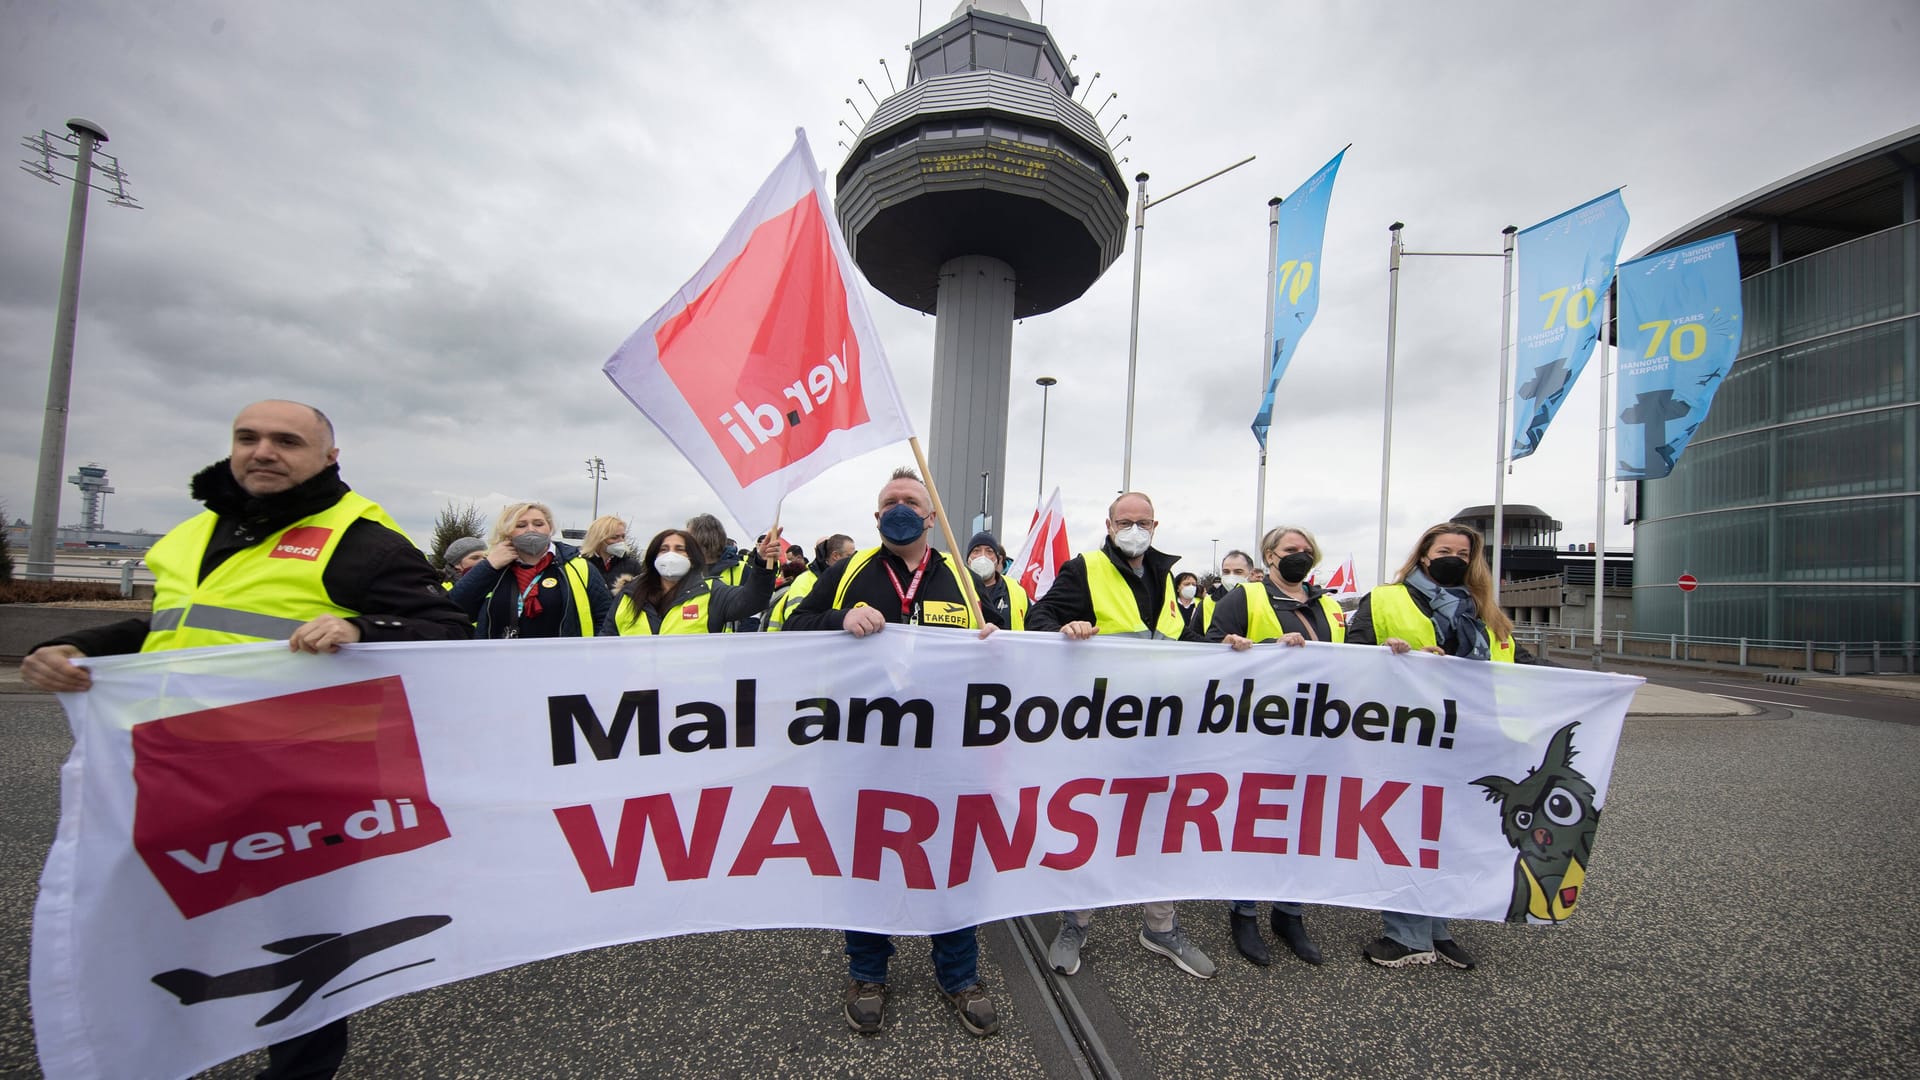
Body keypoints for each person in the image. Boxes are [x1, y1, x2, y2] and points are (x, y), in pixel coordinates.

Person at [19, 400, 472, 1080]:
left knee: (306, 949)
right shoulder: (191, 535)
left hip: (298, 788)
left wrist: (362, 630)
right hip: (174, 770)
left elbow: (448, 631)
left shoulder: (361, 541)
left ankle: (299, 1069)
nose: (263, 451)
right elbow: (168, 626)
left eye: (287, 440)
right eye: (248, 438)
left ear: (328, 458)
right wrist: (76, 645)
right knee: (156, 924)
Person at [785, 468, 999, 1037]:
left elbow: (1009, 647)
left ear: (932, 517)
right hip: (863, 745)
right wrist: (838, 619)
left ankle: (960, 976)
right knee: (868, 860)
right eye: (888, 502)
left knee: (950, 860)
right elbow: (790, 624)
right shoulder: (845, 570)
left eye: (911, 501)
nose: (898, 508)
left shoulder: (962, 575)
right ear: (874, 515)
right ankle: (867, 973)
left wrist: (992, 640)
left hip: (946, 746)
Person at [1024, 491, 1216, 981]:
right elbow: (1037, 618)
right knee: (1093, 825)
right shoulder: (1083, 568)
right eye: (1125, 521)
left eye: (1142, 521)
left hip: (1161, 728)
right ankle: (1075, 922)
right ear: (1108, 525)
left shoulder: (1166, 575)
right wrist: (1066, 626)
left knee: (1159, 828)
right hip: (1102, 728)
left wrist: (1231, 649)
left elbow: (1177, 641)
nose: (1134, 528)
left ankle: (1161, 926)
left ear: (1156, 524)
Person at [1347, 521, 1532, 971]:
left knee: (1447, 836)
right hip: (1409, 734)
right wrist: (1388, 654)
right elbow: (1352, 655)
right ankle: (1406, 933)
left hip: (1471, 735)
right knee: (1408, 831)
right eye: (1445, 549)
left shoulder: (1484, 608)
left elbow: (1520, 662)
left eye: (1463, 553)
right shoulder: (1386, 598)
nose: (1454, 557)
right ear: (1424, 554)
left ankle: (1438, 928)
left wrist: (1592, 688)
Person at [1206, 525, 1345, 968]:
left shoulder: (1330, 606)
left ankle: (1290, 914)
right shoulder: (1245, 598)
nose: (1299, 555)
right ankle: (1244, 914)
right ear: (1270, 557)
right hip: (1259, 729)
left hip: (1317, 730)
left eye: (1307, 549)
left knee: (1304, 825)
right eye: (1291, 550)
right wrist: (1264, 648)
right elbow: (1207, 649)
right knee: (1255, 822)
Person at [452, 502, 610, 639]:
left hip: (562, 664)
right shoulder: (493, 568)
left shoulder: (578, 567)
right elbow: (455, 609)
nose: (531, 529)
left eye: (538, 524)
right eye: (521, 525)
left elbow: (605, 617)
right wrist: (489, 566)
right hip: (500, 664)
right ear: (507, 532)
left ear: (550, 528)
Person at [604, 528, 782, 635]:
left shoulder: (710, 592)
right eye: (664, 549)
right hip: (637, 693)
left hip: (692, 693)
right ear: (653, 556)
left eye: (679, 549)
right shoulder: (629, 595)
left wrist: (762, 563)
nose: (671, 554)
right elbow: (607, 642)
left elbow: (753, 600)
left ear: (692, 556)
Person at [763, 533, 856, 631]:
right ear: (835, 555)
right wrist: (837, 620)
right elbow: (797, 624)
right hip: (786, 642)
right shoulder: (804, 581)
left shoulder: (844, 579)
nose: (853, 560)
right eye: (849, 556)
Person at [686, 512, 762, 631]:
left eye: (687, 539)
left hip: (729, 646)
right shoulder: (685, 571)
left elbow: (752, 615)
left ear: (701, 540)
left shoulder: (742, 570)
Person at [965, 530, 1025, 630]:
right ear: (968, 559)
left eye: (989, 551)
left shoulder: (1016, 590)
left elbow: (1033, 625)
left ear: (998, 559)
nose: (982, 556)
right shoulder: (956, 586)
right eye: (976, 551)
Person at [1189, 550, 1255, 641]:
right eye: (1226, 572)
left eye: (1238, 572)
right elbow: (1193, 642)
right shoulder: (1206, 605)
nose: (1231, 576)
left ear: (1251, 574)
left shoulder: (1264, 600)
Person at [579, 515, 642, 588]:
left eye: (623, 537)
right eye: (614, 537)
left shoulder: (632, 565)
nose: (621, 541)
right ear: (598, 539)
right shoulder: (582, 564)